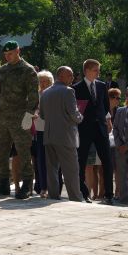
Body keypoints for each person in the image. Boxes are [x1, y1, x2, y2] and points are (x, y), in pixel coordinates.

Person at [0, 41, 39, 199]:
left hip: (21, 117)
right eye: (5, 54)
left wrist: (29, 114)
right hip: (4, 117)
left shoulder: (28, 70)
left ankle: (27, 185)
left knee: (23, 152)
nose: (7, 57)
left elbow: (33, 95)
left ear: (18, 51)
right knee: (1, 152)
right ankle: (3, 183)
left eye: (10, 53)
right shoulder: (3, 70)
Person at [39, 66, 83, 201]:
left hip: (49, 136)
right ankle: (75, 198)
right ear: (61, 76)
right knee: (71, 170)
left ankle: (53, 196)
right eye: (70, 75)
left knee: (51, 169)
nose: (72, 78)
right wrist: (81, 117)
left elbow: (42, 115)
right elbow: (74, 114)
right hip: (65, 136)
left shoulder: (45, 92)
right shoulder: (68, 91)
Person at [74, 59, 114, 204]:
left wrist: (106, 121)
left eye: (98, 70)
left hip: (101, 128)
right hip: (84, 129)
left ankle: (109, 194)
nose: (98, 73)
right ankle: (83, 193)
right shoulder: (76, 88)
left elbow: (105, 106)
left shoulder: (102, 86)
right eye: (95, 70)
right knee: (82, 161)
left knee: (107, 160)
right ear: (87, 71)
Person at [33, 70, 53, 198]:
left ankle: (54, 187)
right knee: (41, 159)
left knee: (53, 160)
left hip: (54, 129)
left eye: (46, 81)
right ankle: (43, 187)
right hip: (39, 129)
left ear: (51, 82)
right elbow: (31, 109)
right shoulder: (36, 95)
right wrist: (34, 113)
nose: (43, 84)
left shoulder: (54, 94)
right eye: (41, 81)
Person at [107, 87, 122, 198]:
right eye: (114, 97)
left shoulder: (119, 111)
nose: (117, 100)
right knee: (106, 168)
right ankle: (104, 191)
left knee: (118, 168)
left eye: (118, 98)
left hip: (117, 142)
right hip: (105, 141)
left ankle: (117, 191)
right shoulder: (104, 109)